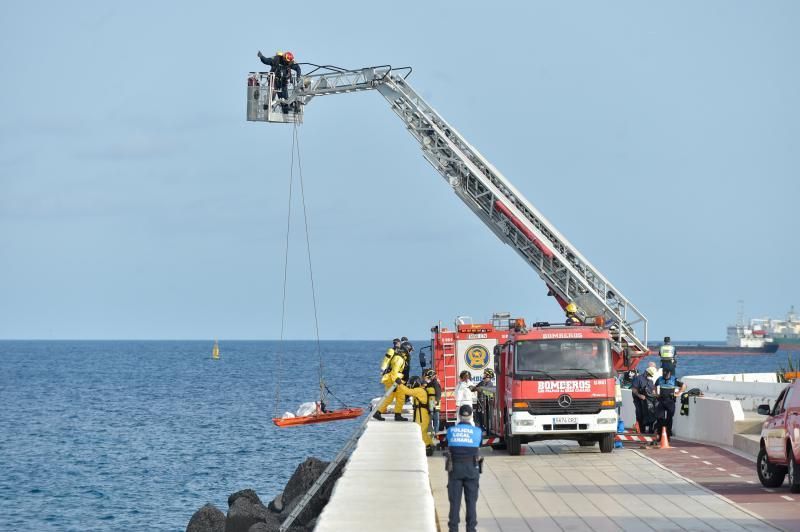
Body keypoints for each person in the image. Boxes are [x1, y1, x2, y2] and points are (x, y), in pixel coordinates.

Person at [445, 404, 483, 532]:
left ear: (459, 416)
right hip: (472, 468)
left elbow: (448, 443)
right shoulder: (477, 432)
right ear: (471, 416)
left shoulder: (451, 431)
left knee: (454, 502)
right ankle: (471, 529)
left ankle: (453, 529)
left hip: (455, 468)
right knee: (471, 502)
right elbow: (479, 445)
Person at [398, 376, 437, 455]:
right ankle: (431, 445)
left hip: (421, 415)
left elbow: (408, 391)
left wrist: (400, 384)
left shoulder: (419, 390)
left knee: (421, 432)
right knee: (424, 432)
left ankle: (428, 447)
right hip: (424, 414)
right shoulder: (422, 390)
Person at [374, 343, 409, 421]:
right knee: (399, 397)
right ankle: (396, 415)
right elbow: (394, 372)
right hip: (394, 381)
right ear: (406, 350)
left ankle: (379, 412)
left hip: (392, 380)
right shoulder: (399, 359)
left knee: (391, 398)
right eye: (409, 350)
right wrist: (395, 385)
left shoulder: (399, 357)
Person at [654, 367, 686, 439]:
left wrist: (678, 393)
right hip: (661, 400)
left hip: (670, 401)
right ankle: (660, 434)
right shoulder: (660, 379)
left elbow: (684, 386)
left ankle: (668, 435)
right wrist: (656, 393)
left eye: (666, 374)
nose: (665, 376)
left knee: (669, 418)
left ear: (669, 374)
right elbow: (655, 385)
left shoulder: (674, 379)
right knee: (660, 418)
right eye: (663, 374)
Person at [631, 367, 656, 433]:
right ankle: (641, 430)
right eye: (650, 375)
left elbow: (653, 390)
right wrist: (639, 395)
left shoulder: (651, 381)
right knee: (639, 414)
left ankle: (650, 429)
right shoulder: (638, 378)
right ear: (646, 372)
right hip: (638, 400)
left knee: (650, 413)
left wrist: (655, 394)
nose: (650, 376)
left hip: (647, 400)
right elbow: (634, 389)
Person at [423, 368, 442, 434]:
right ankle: (432, 431)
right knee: (431, 416)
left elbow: (438, 393)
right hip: (431, 401)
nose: (428, 378)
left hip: (435, 402)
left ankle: (436, 432)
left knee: (436, 418)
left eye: (429, 377)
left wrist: (436, 400)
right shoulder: (432, 382)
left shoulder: (435, 383)